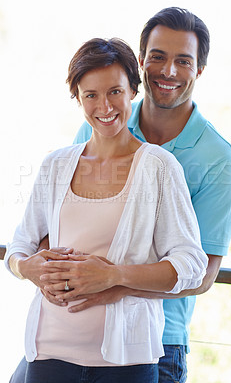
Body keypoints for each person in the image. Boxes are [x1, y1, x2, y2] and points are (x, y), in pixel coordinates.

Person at [5, 37, 208, 383]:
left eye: (115, 91)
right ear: (78, 98)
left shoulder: (160, 168)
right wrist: (27, 268)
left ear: (133, 90)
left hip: (126, 362)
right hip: (49, 354)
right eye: (91, 95)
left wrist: (115, 276)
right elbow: (19, 246)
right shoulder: (55, 165)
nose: (104, 106)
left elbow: (192, 266)